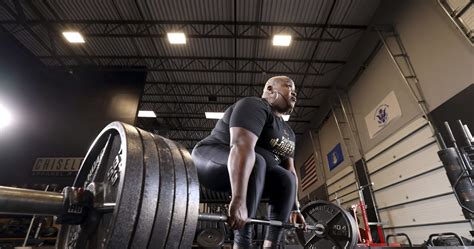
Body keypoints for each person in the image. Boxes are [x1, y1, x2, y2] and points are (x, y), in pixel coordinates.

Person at [192, 76, 306, 248]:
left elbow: (290, 171)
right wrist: (238, 200)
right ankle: (242, 244)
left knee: (286, 178)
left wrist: (295, 208)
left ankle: (271, 245)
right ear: (270, 89)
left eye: (295, 91)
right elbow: (241, 146)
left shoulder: (288, 133)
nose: (294, 94)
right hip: (208, 160)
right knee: (255, 161)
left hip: (251, 170)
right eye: (289, 87)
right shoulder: (254, 105)